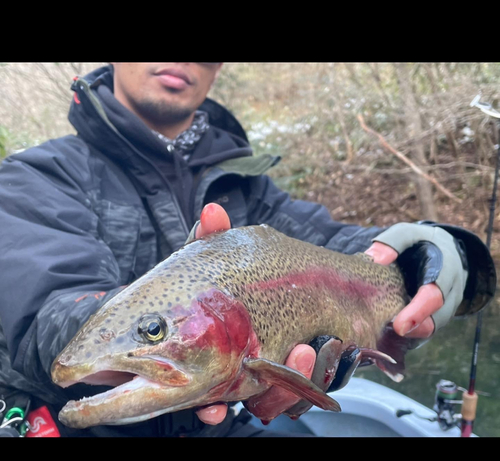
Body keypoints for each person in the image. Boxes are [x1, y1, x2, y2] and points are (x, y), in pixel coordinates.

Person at [0, 63, 495, 437]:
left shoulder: (249, 188)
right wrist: (154, 339)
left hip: (225, 423)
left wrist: (438, 253)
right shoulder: (34, 177)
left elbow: (353, 252)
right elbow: (45, 313)